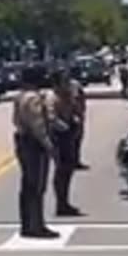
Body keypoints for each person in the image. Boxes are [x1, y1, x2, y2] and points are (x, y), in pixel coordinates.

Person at [12, 64, 57, 239]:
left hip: (22, 141)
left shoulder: (19, 97)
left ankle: (26, 224)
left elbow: (15, 120)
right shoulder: (34, 98)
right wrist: (49, 145)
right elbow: (38, 125)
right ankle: (36, 226)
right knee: (37, 186)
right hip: (34, 144)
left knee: (27, 186)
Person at [49, 68, 83, 217]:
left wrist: (76, 120)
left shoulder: (67, 96)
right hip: (58, 137)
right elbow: (51, 118)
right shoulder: (52, 97)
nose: (68, 83)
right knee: (61, 171)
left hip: (68, 136)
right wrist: (65, 127)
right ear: (57, 83)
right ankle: (60, 204)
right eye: (64, 80)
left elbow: (75, 111)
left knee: (68, 171)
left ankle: (65, 202)